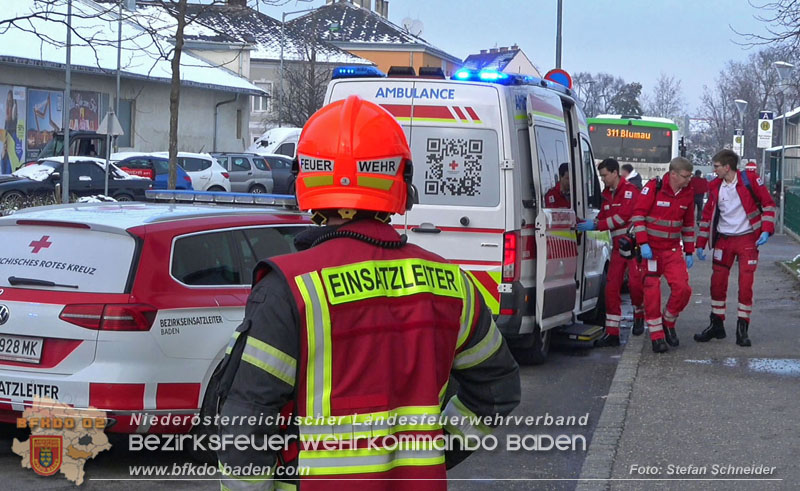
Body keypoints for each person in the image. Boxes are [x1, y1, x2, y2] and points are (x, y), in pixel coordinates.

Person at [215, 95, 521, 490]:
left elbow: (248, 422)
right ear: (400, 181)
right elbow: (497, 391)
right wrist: (431, 454)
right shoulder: (452, 284)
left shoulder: (290, 288)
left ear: (304, 179)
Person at [693, 149, 777, 347]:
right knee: (717, 283)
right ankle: (716, 324)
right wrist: (700, 244)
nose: (714, 170)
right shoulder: (714, 187)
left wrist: (766, 230)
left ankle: (742, 328)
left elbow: (768, 205)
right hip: (724, 239)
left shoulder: (750, 180)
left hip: (748, 239)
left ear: (727, 167)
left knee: (745, 285)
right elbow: (706, 217)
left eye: (716, 167)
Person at [630, 157, 696, 353]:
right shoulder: (654, 187)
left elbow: (689, 224)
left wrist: (690, 250)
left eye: (690, 176)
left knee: (683, 289)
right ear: (673, 174)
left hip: (672, 250)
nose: (689, 180)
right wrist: (643, 243)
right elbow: (638, 215)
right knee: (652, 292)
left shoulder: (688, 193)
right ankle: (657, 336)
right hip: (651, 250)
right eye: (685, 176)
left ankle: (668, 321)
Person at [577, 158, 645, 346]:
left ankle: (639, 313)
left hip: (632, 246)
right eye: (601, 176)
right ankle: (613, 332)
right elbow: (604, 216)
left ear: (615, 173)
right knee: (611, 288)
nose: (603, 179)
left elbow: (622, 217)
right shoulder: (607, 194)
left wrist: (596, 224)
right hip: (617, 247)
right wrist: (586, 222)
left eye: (605, 175)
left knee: (635, 285)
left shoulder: (630, 192)